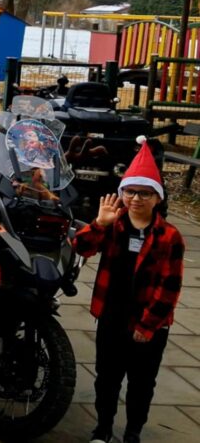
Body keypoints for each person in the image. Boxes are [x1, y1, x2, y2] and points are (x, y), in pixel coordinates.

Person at [74, 139, 185, 443]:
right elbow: (81, 249)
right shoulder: (113, 223)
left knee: (141, 382)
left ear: (157, 198)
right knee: (106, 379)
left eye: (145, 193)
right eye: (131, 191)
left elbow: (169, 286)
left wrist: (148, 325)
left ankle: (133, 432)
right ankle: (103, 428)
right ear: (122, 193)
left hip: (148, 323)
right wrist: (98, 223)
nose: (136, 198)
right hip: (111, 315)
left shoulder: (169, 236)